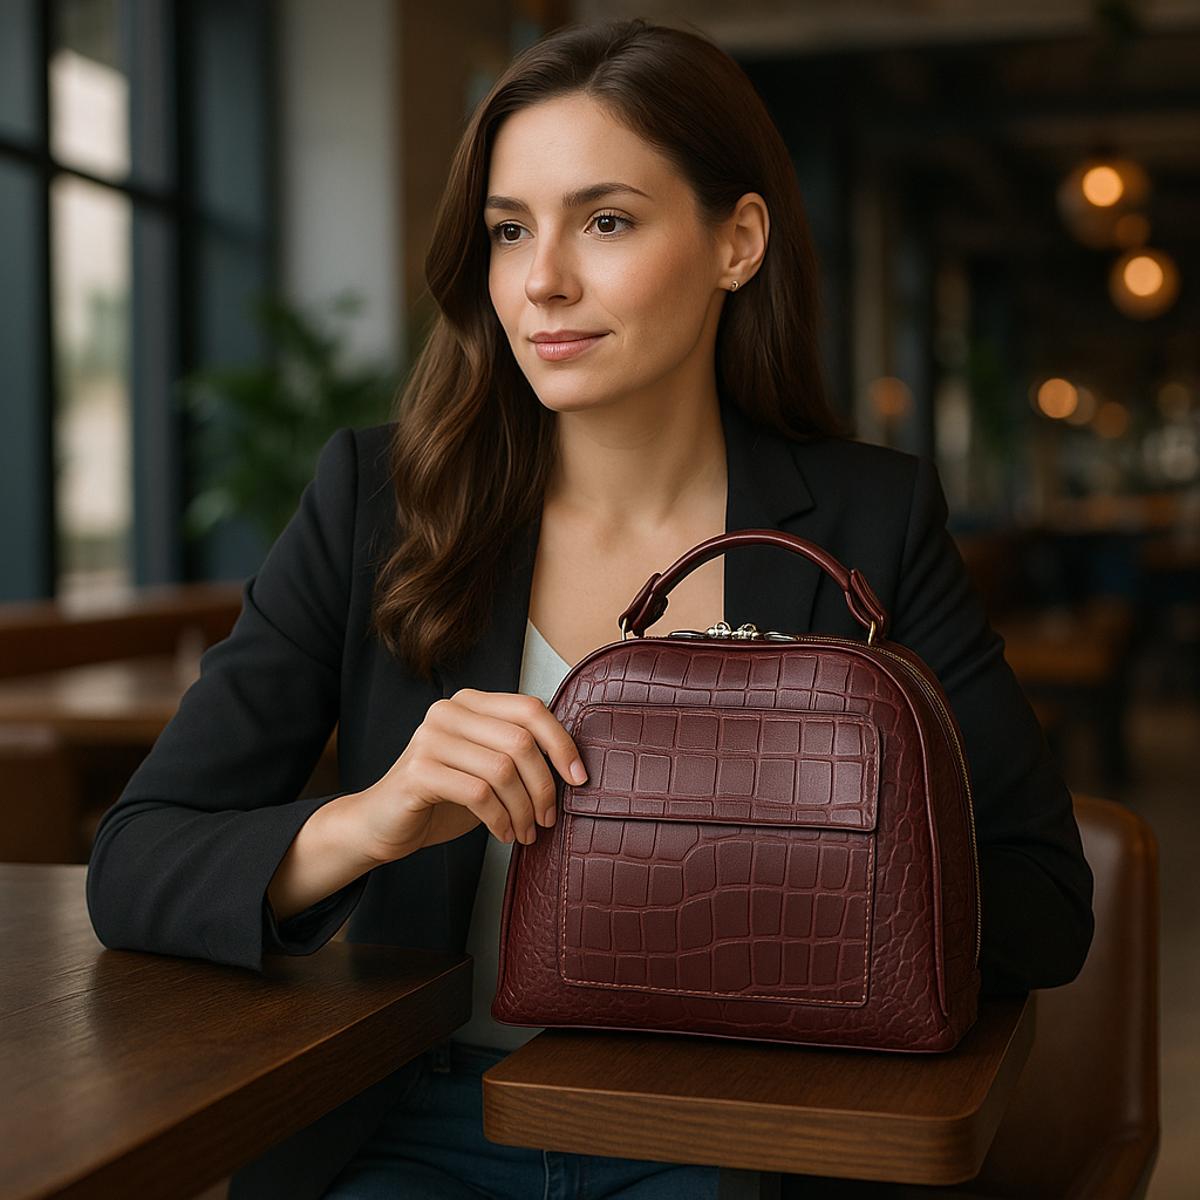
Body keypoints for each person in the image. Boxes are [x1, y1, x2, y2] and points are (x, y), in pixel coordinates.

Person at [85, 17, 1094, 1200]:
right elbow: (136, 861)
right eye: (510, 230)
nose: (541, 279)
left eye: (605, 221)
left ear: (738, 241)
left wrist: (801, 859)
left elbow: (1040, 903)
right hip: (411, 1126)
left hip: (727, 1138)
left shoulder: (867, 521)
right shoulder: (379, 501)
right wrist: (372, 818)